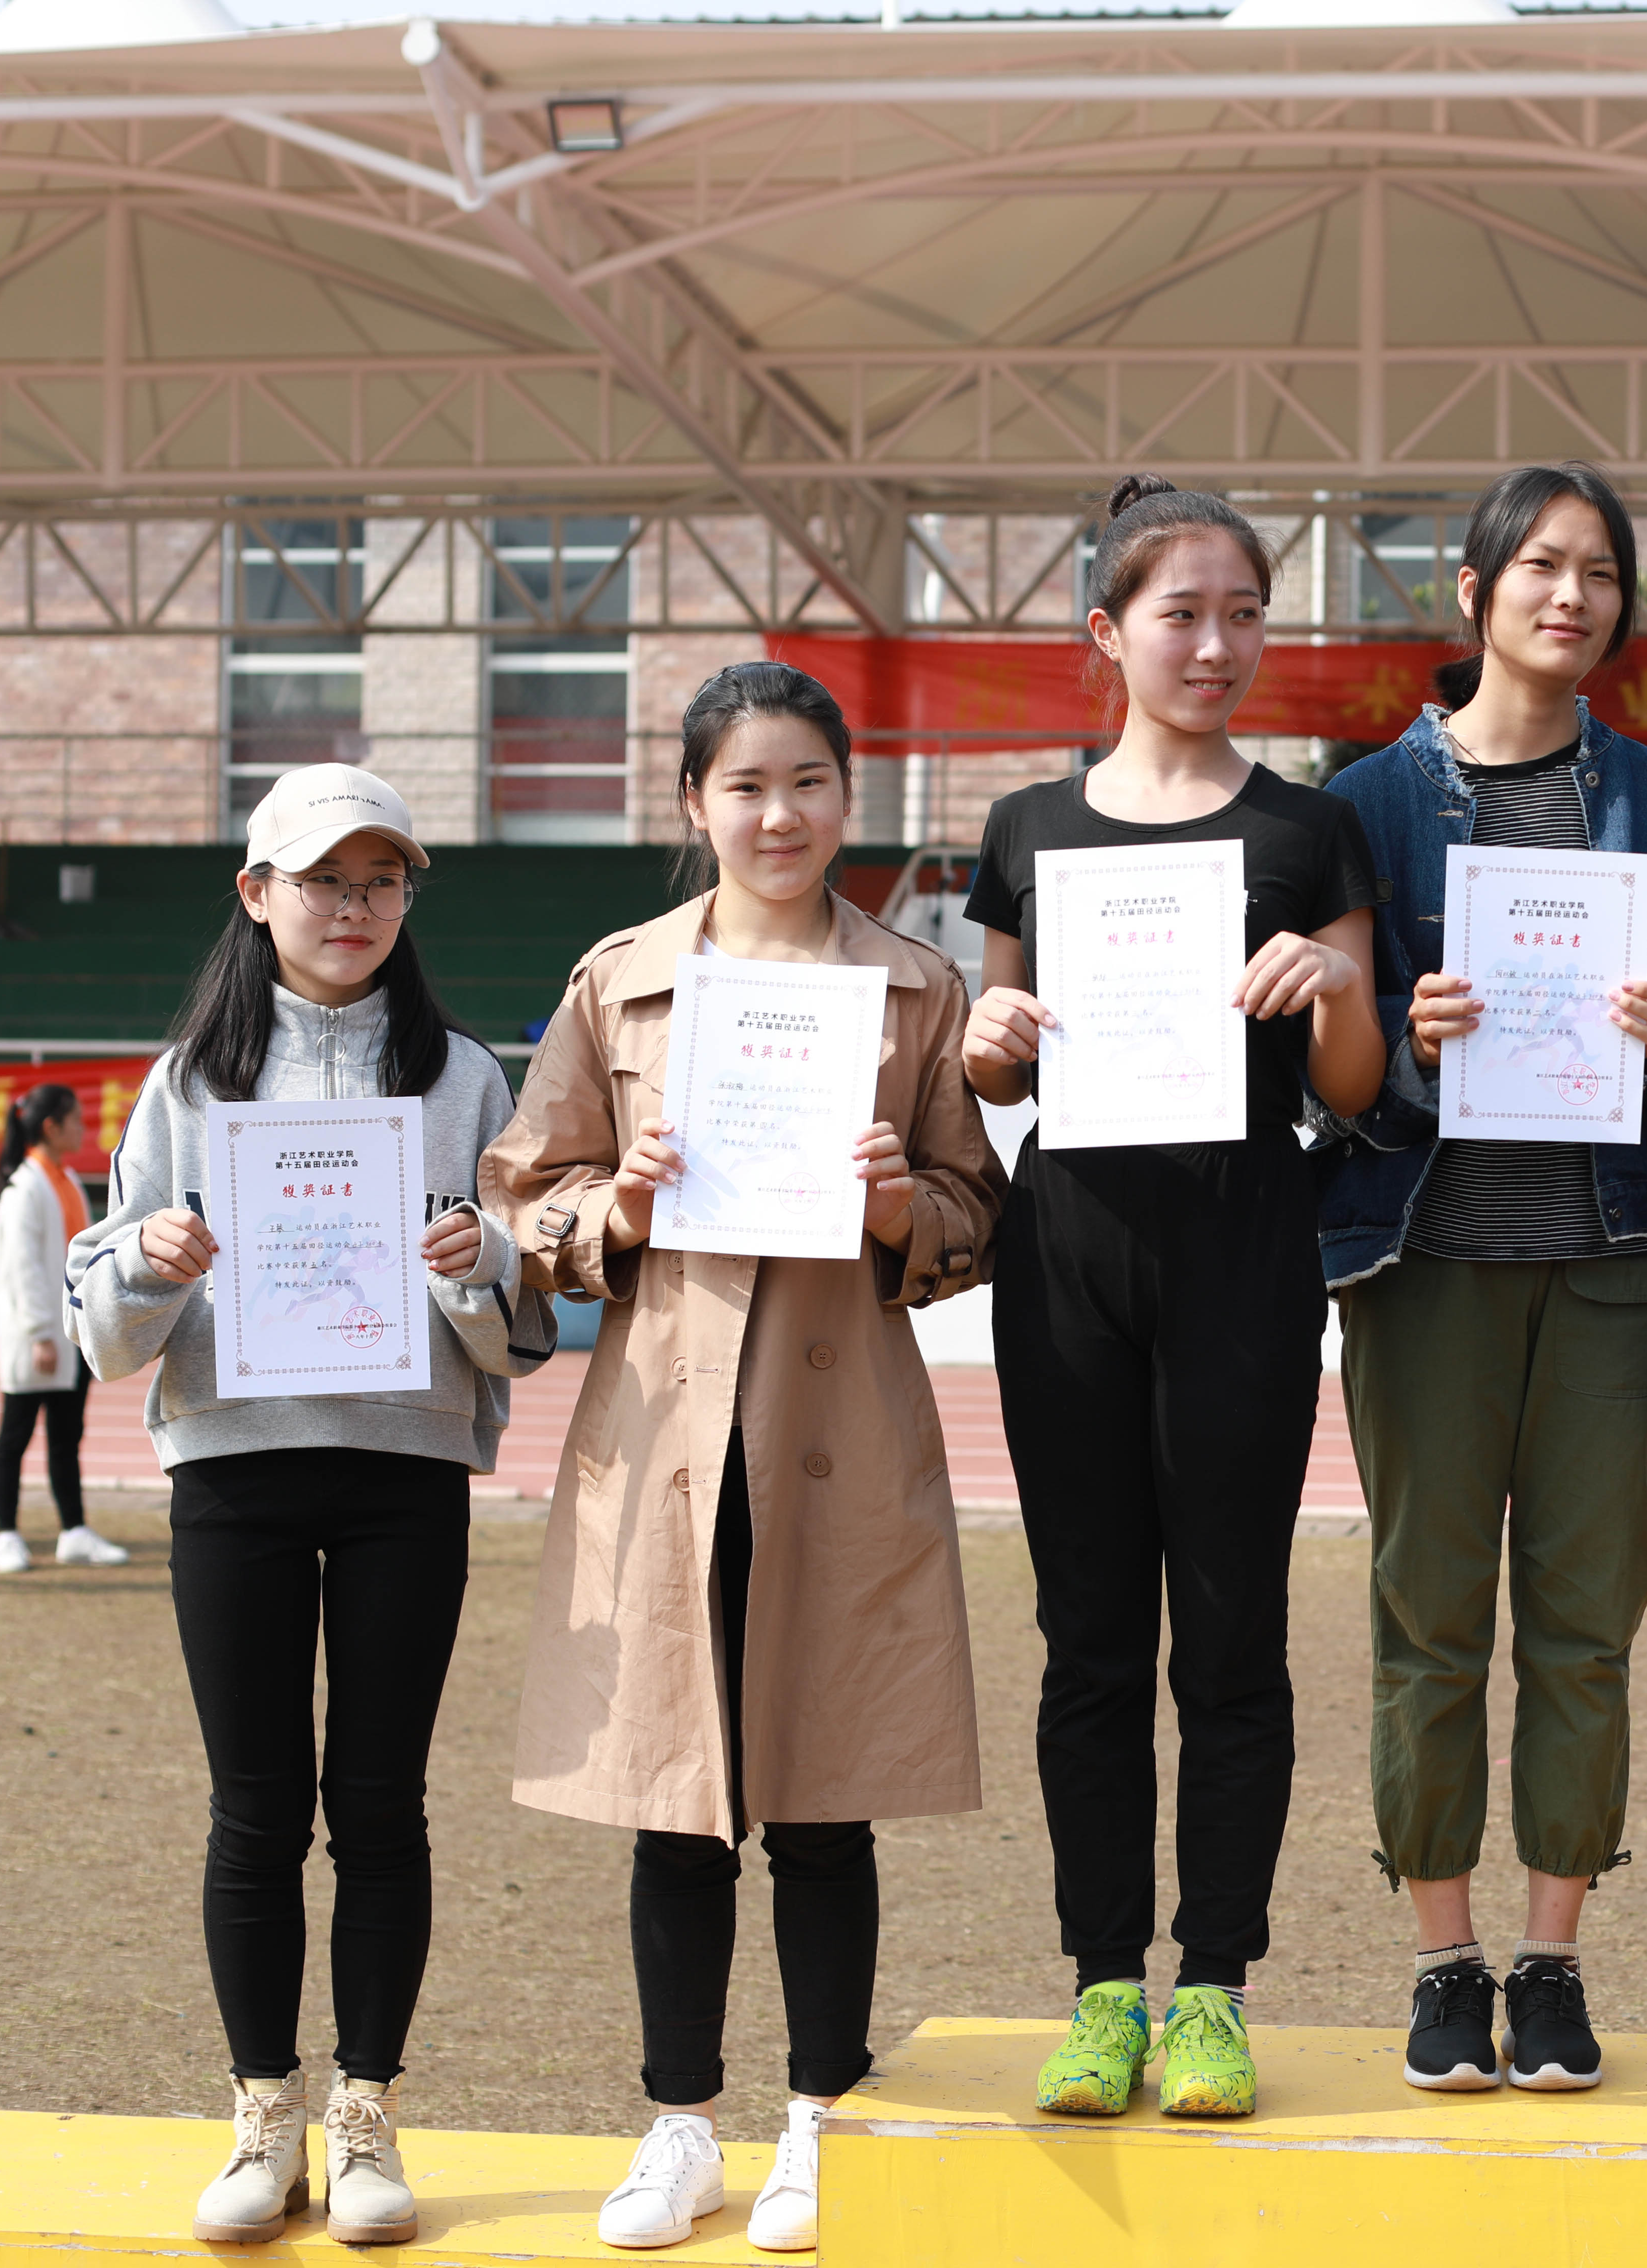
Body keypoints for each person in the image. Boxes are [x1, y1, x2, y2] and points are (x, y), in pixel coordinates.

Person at [482, 662, 1001, 2252]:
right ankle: (680, 2125)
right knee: (677, 1793)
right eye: (747, 786)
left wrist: (903, 1204)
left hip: (841, 1432)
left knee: (826, 1796)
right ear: (694, 803)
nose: (780, 815)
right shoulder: (619, 981)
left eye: (808, 782)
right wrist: (617, 1205)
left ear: (848, 796)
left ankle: (821, 2121)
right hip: (670, 1432)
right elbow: (527, 1190)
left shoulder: (916, 987)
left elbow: (977, 1214)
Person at [64, 763, 552, 2248]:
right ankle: (264, 2114)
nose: (356, 905)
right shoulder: (186, 1082)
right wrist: (149, 1258)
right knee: (256, 1807)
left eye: (382, 878)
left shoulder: (464, 1076)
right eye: (325, 878)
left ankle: (368, 2114)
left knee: (382, 1803)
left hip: (406, 1470)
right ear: (255, 892)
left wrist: (478, 1263)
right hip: (233, 1470)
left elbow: (522, 1326)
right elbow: (103, 1331)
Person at [961, 475, 1382, 2124]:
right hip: (1066, 1253)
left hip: (1244, 1248)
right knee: (1086, 1640)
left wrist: (1336, 984)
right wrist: (990, 1044)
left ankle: (1211, 1986)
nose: (1215, 646)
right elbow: (1002, 1073)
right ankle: (1099, 1989)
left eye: (1243, 615)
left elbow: (1352, 1088)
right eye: (1180, 614)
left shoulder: (1308, 831)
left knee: (1230, 1633)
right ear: (1108, 632)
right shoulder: (1028, 832)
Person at [1318, 463, 1647, 2094]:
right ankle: (1442, 1958)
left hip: (1605, 1259)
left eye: (1600, 571)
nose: (1573, 595)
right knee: (1425, 1615)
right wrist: (1399, 1043)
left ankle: (1551, 1960)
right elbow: (1328, 1086)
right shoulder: (1364, 804)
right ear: (1476, 591)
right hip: (1421, 1257)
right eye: (1542, 565)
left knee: (1586, 1616)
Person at [0, 1081, 127, 1569]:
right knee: (16, 1435)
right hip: (41, 1339)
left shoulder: (64, 1178)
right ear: (51, 1127)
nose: (82, 1130)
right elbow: (21, 1269)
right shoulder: (24, 1189)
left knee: (67, 1436)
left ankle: (73, 1531)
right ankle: (6, 1536)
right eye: (75, 1121)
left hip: (70, 1337)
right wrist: (41, 1333)